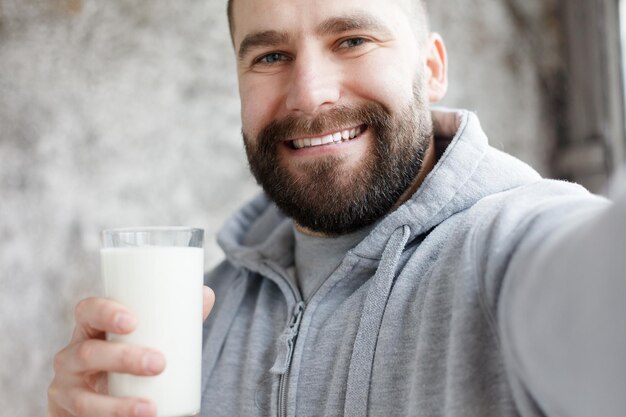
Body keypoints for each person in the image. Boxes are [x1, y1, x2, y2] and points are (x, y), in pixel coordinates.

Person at [48, 0, 626, 415]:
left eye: (352, 40)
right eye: (270, 56)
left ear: (431, 69)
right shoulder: (202, 316)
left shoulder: (516, 249)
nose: (310, 93)